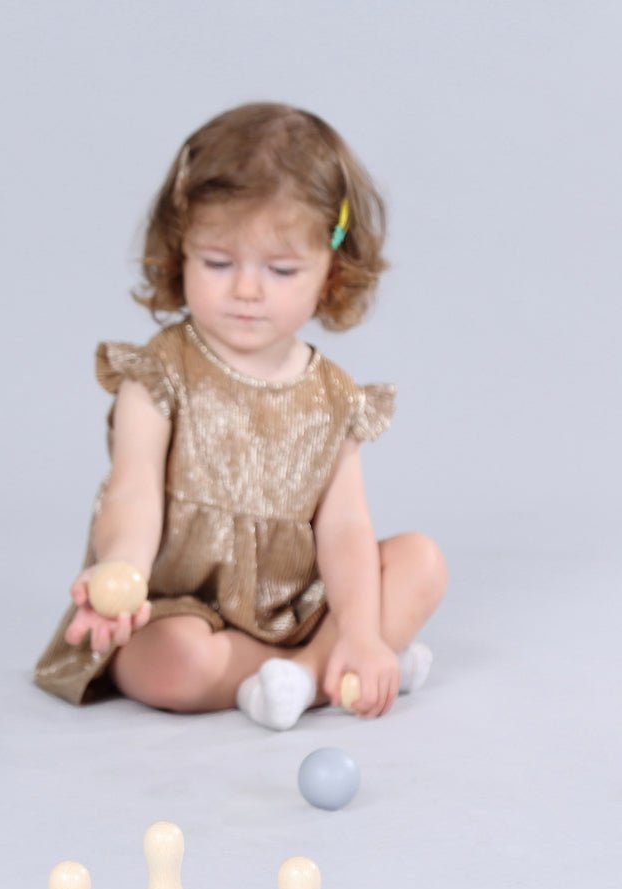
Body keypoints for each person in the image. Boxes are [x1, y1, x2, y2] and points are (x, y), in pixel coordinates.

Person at [35, 102, 446, 729]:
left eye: (281, 270)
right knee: (172, 665)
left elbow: (343, 530)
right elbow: (133, 497)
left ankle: (316, 670)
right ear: (181, 254)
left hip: (292, 603)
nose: (247, 290)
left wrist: (359, 628)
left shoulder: (334, 398)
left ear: (331, 269)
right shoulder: (159, 374)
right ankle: (340, 670)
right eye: (219, 263)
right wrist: (120, 571)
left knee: (420, 562)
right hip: (177, 609)